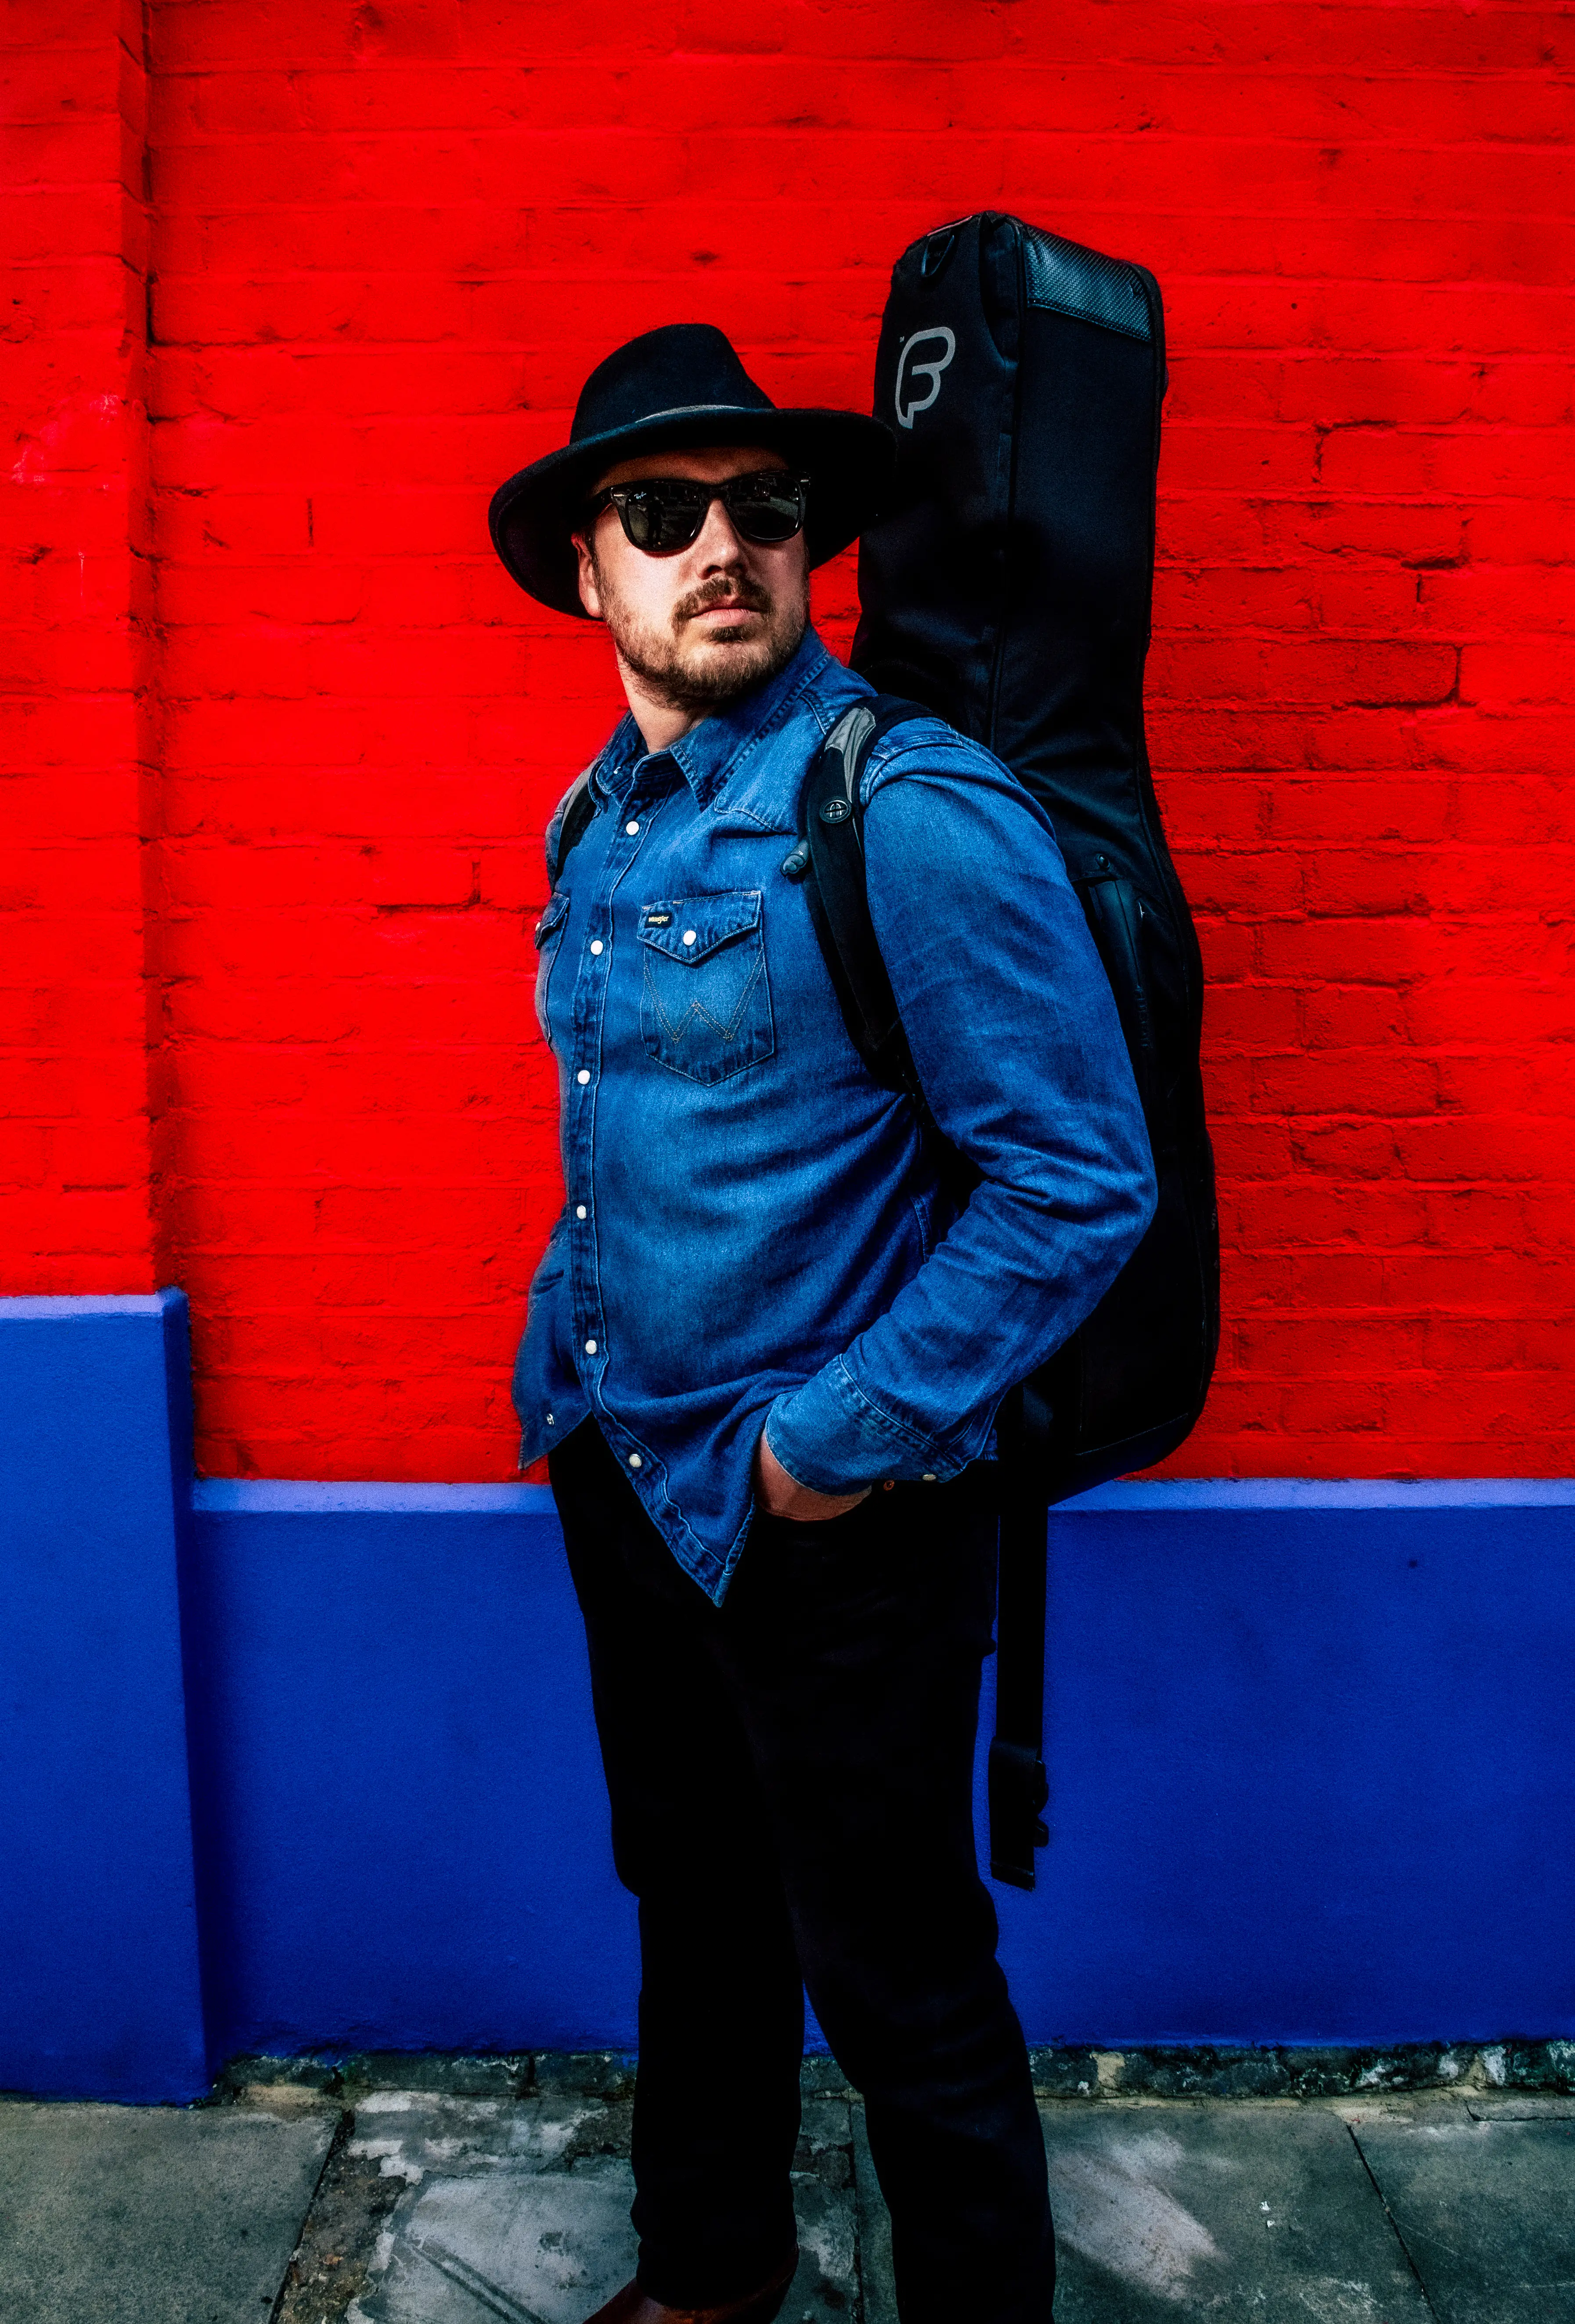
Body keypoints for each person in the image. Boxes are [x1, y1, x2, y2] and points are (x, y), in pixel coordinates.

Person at [488, 324, 1156, 2324]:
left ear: (810, 551)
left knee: (902, 1987)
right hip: (629, 1477)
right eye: (663, 513)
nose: (722, 546)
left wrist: (826, 1441)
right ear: (588, 572)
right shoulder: (595, 824)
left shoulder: (908, 807)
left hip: (831, 1516)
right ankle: (708, 2279)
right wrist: (569, 1380)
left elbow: (1074, 1179)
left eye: (764, 512)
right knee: (693, 1921)